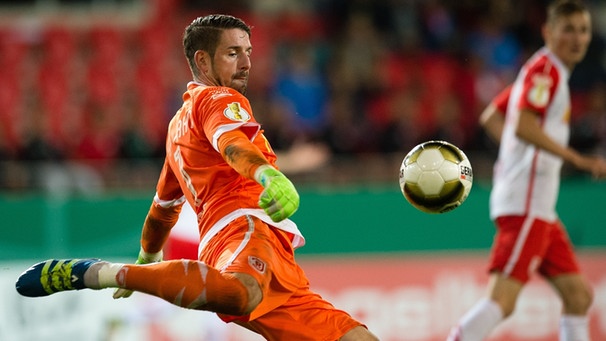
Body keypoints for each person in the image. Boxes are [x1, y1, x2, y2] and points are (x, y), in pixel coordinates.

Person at [15, 14, 379, 341]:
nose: (247, 62)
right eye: (233, 53)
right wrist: (269, 174)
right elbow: (230, 141)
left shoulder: (178, 128)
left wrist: (149, 255)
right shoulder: (216, 99)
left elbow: (163, 207)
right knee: (241, 293)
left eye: (248, 51)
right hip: (243, 229)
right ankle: (98, 273)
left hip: (272, 259)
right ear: (203, 60)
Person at [447, 1, 606, 340]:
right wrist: (578, 160)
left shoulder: (538, 72)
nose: (577, 38)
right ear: (548, 32)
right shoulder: (545, 73)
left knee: (578, 296)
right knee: (502, 301)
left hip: (539, 208)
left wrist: (515, 155)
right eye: (568, 29)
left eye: (583, 30)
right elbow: (523, 126)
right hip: (527, 204)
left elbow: (492, 115)